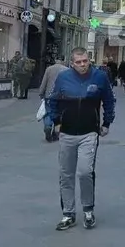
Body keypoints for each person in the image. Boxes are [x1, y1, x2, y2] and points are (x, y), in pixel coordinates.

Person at [46, 48, 116, 231]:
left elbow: (109, 100)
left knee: (85, 172)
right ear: (72, 63)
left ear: (89, 60)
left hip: (89, 133)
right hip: (67, 133)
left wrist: (107, 122)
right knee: (66, 174)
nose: (83, 65)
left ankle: (88, 210)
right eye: (78, 62)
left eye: (85, 61)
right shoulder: (63, 78)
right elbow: (52, 100)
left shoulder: (99, 77)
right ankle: (68, 213)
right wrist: (56, 122)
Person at [37, 57, 69, 142]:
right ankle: (56, 131)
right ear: (63, 61)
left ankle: (48, 126)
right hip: (62, 96)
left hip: (49, 95)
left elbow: (44, 81)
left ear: (55, 61)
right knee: (59, 113)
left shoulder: (49, 69)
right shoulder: (67, 70)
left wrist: (41, 92)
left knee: (48, 112)